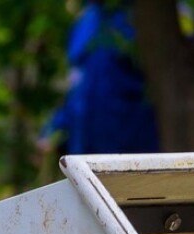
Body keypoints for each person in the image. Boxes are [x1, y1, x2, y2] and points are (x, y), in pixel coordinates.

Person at [49, 3, 160, 157]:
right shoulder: (86, 19)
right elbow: (76, 83)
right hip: (84, 145)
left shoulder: (154, 17)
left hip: (132, 146)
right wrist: (56, 127)